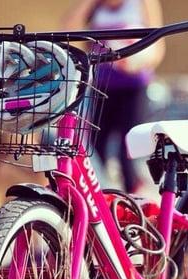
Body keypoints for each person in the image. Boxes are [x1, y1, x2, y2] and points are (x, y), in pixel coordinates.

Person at [62, 0, 165, 192]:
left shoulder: (143, 3)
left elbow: (158, 49)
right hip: (103, 85)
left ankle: (133, 198)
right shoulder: (95, 6)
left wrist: (135, 61)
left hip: (134, 86)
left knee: (128, 150)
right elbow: (68, 29)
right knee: (95, 148)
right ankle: (104, 198)